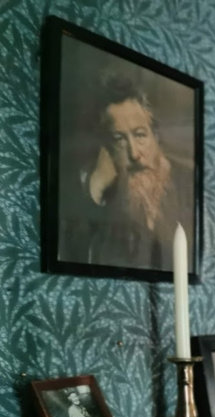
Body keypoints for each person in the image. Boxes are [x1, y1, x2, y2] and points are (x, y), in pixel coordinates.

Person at [60, 72, 194, 271]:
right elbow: (75, 257)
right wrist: (96, 185)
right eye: (119, 139)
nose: (134, 153)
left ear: (156, 136)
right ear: (105, 147)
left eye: (140, 135)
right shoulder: (89, 188)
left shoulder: (187, 182)